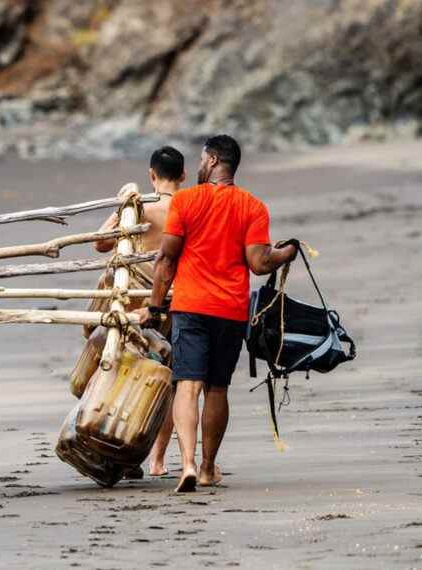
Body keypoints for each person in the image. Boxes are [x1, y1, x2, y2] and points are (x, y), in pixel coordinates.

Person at [140, 135, 297, 492]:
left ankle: (188, 465)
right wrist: (286, 253)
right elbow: (259, 263)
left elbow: (166, 260)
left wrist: (153, 305)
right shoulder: (253, 206)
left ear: (211, 161)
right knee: (216, 388)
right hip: (230, 310)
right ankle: (209, 467)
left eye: (200, 159)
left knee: (187, 385)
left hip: (191, 306)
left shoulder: (186, 201)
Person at [94, 145, 185, 477]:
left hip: (137, 304)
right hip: (176, 302)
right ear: (184, 176)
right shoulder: (189, 206)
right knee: (168, 383)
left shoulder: (140, 206)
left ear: (152, 175)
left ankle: (122, 453)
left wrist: (124, 202)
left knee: (120, 373)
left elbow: (101, 242)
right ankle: (157, 459)